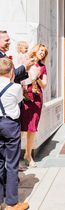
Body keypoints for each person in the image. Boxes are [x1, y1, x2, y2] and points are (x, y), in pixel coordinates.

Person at [0, 58, 29, 210]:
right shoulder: (16, 87)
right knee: (11, 164)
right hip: (10, 125)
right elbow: (19, 101)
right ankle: (12, 203)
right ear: (11, 72)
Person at [20, 44, 48, 168]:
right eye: (41, 50)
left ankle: (28, 154)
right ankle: (15, 156)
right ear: (35, 50)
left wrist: (37, 78)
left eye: (45, 52)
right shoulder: (26, 62)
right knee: (21, 128)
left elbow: (44, 85)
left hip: (36, 99)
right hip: (24, 97)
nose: (43, 53)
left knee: (32, 129)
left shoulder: (42, 67)